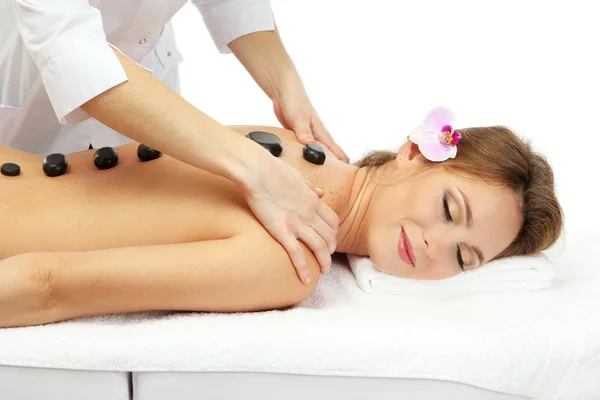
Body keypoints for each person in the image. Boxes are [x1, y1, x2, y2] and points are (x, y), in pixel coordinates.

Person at [0, 109, 563, 328]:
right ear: (414, 151)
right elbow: (48, 287)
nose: (435, 246)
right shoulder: (292, 259)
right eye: (448, 209)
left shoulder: (294, 145)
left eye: (464, 258)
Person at [0, 0, 348, 285]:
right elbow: (72, 54)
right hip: (27, 88)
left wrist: (283, 81)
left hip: (147, 97)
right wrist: (253, 167)